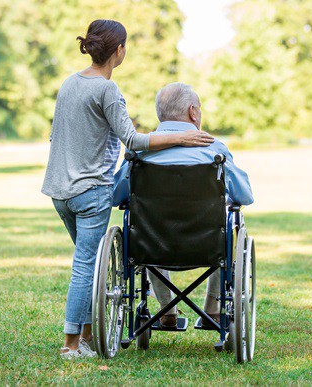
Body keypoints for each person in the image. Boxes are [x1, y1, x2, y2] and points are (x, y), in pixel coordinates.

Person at [41, 21, 214, 360]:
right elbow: (132, 140)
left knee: (94, 267)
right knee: (86, 267)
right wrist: (183, 136)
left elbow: (56, 136)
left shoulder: (69, 84)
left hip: (59, 191)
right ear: (118, 51)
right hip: (89, 190)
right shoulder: (107, 90)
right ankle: (71, 345)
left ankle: (88, 337)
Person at [113, 82, 253, 328]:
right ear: (193, 112)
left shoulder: (141, 152)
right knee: (224, 226)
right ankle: (213, 310)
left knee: (146, 225)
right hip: (207, 245)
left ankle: (167, 313)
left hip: (153, 246)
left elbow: (116, 197)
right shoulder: (214, 149)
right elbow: (245, 196)